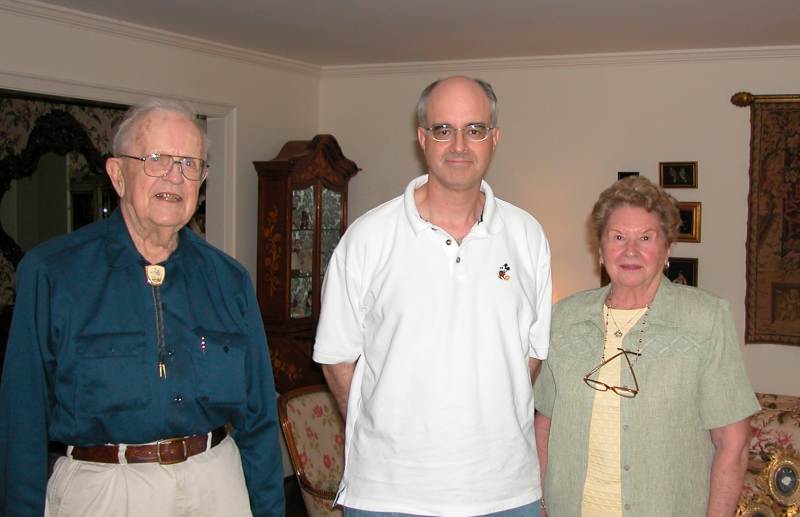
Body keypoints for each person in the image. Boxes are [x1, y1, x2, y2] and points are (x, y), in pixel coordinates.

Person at [0, 99, 285, 516]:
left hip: (216, 485)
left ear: (202, 179)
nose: (175, 175)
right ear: (117, 174)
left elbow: (259, 420)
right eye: (156, 159)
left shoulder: (229, 280)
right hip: (105, 491)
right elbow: (21, 421)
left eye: (190, 164)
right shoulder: (52, 273)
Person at [313, 76, 552, 516]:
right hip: (388, 494)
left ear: (494, 139)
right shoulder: (367, 237)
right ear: (423, 138)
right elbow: (337, 356)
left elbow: (531, 354)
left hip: (505, 493)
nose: (459, 145)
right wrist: (385, 428)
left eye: (474, 130)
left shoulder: (527, 236)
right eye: (443, 129)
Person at [534, 176, 759, 516]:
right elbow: (545, 424)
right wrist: (542, 504)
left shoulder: (705, 319)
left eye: (646, 238)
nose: (630, 251)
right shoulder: (564, 318)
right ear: (600, 248)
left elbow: (733, 444)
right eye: (618, 237)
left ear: (667, 249)